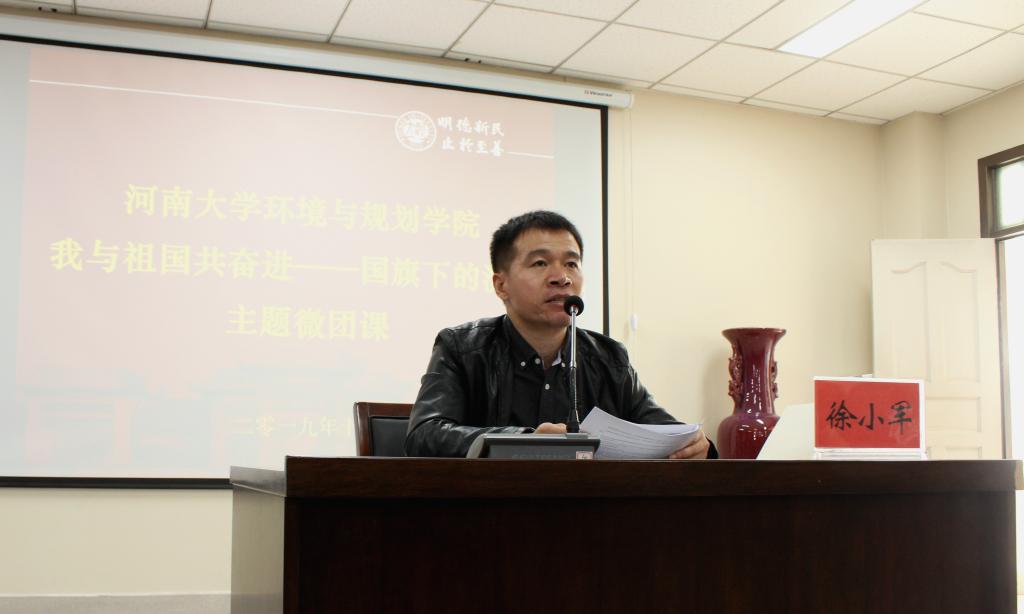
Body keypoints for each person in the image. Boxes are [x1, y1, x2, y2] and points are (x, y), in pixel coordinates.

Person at [405, 210, 716, 459]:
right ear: (501, 285)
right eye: (540, 263)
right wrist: (525, 441)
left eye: (571, 264)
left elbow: (665, 432)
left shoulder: (609, 358)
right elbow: (425, 435)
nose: (562, 277)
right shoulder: (463, 348)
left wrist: (696, 445)